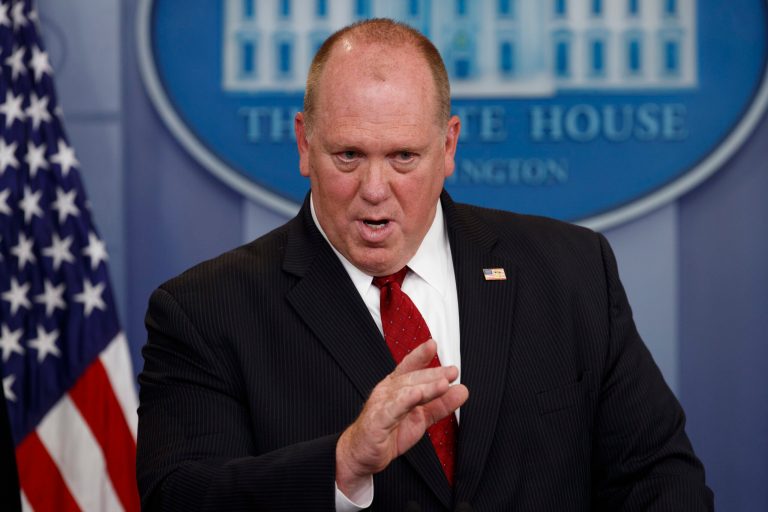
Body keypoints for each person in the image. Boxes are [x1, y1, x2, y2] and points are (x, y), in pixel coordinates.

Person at [136, 19, 713, 511]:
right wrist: (342, 464)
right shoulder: (205, 310)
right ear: (304, 144)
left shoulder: (570, 271)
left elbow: (658, 479)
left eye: (404, 157)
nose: (375, 189)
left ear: (450, 146)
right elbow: (179, 495)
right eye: (349, 155)